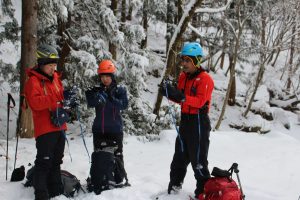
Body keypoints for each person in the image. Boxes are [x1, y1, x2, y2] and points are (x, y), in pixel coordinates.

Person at [160, 42, 214, 198]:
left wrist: (180, 96)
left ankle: (202, 193)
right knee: (179, 158)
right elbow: (182, 99)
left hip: (199, 123)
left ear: (197, 61)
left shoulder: (205, 79)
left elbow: (199, 102)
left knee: (198, 161)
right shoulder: (183, 77)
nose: (183, 64)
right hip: (185, 121)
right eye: (183, 60)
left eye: (187, 60)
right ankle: (174, 189)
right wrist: (169, 93)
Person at [24, 44, 67, 200]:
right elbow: (35, 103)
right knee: (44, 163)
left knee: (56, 162)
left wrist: (68, 98)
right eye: (50, 65)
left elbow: (61, 97)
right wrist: (56, 98)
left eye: (54, 65)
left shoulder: (55, 78)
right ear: (42, 64)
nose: (52, 69)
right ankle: (41, 195)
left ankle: (56, 193)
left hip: (60, 126)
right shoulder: (33, 82)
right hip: (45, 129)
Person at [85, 59, 128, 163]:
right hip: (99, 130)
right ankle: (98, 178)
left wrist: (111, 97)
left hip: (115, 130)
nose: (105, 79)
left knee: (117, 157)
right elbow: (91, 104)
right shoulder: (97, 90)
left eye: (107, 76)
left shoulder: (119, 90)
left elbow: (123, 105)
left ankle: (118, 178)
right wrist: (91, 95)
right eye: (102, 76)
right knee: (98, 157)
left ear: (112, 76)